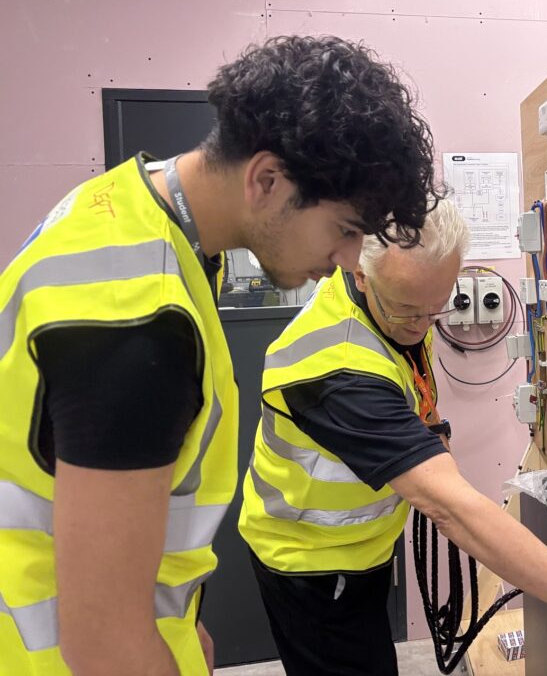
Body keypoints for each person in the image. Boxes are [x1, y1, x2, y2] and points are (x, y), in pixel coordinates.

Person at [0, 35, 439, 676]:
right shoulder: (137, 323)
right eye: (344, 230)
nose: (348, 261)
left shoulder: (120, 207)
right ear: (266, 180)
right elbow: (102, 644)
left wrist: (179, 616)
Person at [239, 197, 547, 676]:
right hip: (310, 562)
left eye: (435, 309)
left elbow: (410, 378)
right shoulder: (338, 371)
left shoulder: (401, 302)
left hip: (362, 547)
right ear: (361, 276)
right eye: (409, 310)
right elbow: (452, 511)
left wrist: (431, 434)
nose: (422, 325)